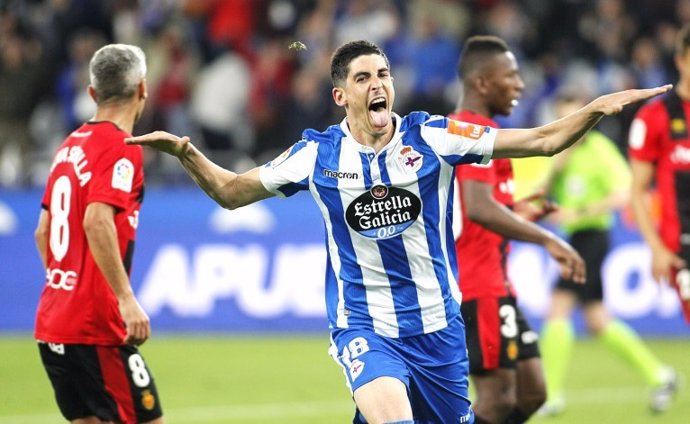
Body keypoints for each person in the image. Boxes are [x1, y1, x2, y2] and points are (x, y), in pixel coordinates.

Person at [126, 40, 670, 424]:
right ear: (341, 95)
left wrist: (596, 110)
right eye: (363, 78)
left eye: (382, 74)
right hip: (366, 326)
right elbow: (231, 191)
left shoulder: (433, 137)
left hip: (439, 329)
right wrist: (188, 153)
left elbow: (542, 140)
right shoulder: (316, 154)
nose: (378, 84)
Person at [450, 36, 586, 424]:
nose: (520, 85)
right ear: (481, 82)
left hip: (497, 284)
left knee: (532, 393)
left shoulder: (486, 132)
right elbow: (477, 208)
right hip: (476, 286)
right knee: (496, 399)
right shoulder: (466, 132)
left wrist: (520, 214)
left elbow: (472, 208)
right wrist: (548, 240)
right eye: (510, 75)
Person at [34, 44, 164, 424]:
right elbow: (96, 220)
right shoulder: (122, 147)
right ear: (143, 88)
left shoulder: (67, 147)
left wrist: (67, 288)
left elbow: (43, 232)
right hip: (96, 328)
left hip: (53, 324)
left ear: (92, 93)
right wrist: (125, 298)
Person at [537, 92, 678, 417]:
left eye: (577, 117)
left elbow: (624, 194)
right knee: (597, 319)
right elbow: (543, 197)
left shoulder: (600, 151)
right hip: (576, 239)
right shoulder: (561, 153)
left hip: (592, 237)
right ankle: (660, 375)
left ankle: (552, 394)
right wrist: (557, 168)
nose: (574, 126)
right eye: (566, 118)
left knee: (557, 309)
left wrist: (579, 212)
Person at [629, 24, 690, 326]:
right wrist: (656, 248)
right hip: (683, 251)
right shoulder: (654, 117)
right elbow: (637, 190)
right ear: (681, 60)